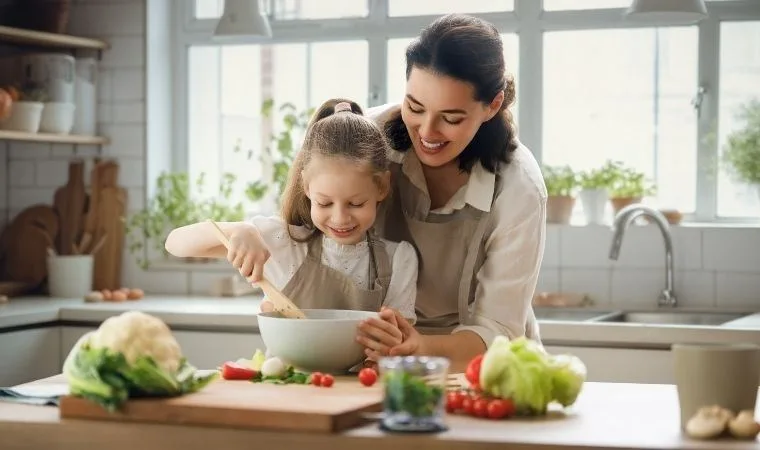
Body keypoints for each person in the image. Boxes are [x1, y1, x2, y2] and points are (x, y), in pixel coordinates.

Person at [354, 13, 548, 371]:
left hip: (484, 366)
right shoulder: (369, 139)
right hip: (383, 356)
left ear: (492, 105)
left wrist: (420, 346)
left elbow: (498, 330)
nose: (427, 130)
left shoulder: (519, 186)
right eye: (414, 106)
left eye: (452, 118)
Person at [164, 99, 418, 361]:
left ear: (382, 187)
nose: (340, 218)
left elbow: (400, 342)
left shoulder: (399, 260)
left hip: (357, 391)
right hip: (287, 389)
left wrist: (390, 346)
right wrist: (240, 230)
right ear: (306, 186)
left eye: (356, 203)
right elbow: (175, 243)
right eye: (324, 203)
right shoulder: (285, 242)